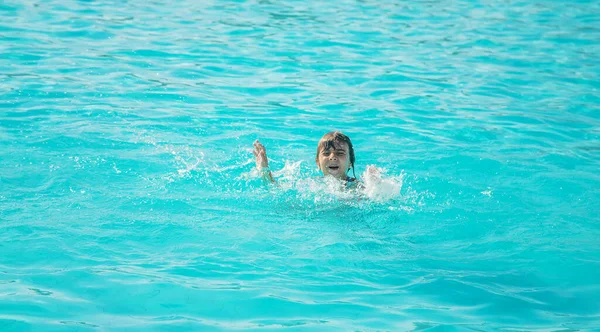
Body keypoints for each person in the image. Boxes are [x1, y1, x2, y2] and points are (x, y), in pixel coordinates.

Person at [253, 131, 361, 188]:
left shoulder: (358, 186)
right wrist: (264, 171)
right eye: (326, 153)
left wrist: (375, 186)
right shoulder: (312, 184)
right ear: (318, 163)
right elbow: (276, 189)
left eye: (340, 153)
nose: (332, 157)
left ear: (350, 162)